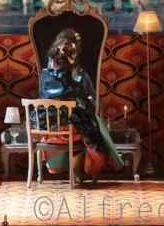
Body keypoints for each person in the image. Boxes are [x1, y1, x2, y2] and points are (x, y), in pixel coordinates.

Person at [33, 28, 123, 181]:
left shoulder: (46, 73)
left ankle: (77, 170)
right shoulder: (69, 74)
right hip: (64, 128)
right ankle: (86, 169)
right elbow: (82, 96)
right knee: (90, 126)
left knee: (86, 122)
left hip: (46, 129)